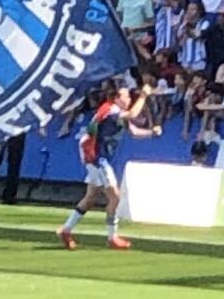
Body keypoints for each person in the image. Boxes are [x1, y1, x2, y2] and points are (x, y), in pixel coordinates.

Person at [56, 85, 162, 250]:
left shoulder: (115, 113)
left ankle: (66, 229)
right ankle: (112, 237)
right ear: (116, 98)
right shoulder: (111, 110)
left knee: (90, 197)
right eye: (125, 97)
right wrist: (143, 96)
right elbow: (133, 114)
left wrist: (151, 133)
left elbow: (133, 131)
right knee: (115, 197)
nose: (128, 100)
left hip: (95, 156)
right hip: (97, 157)